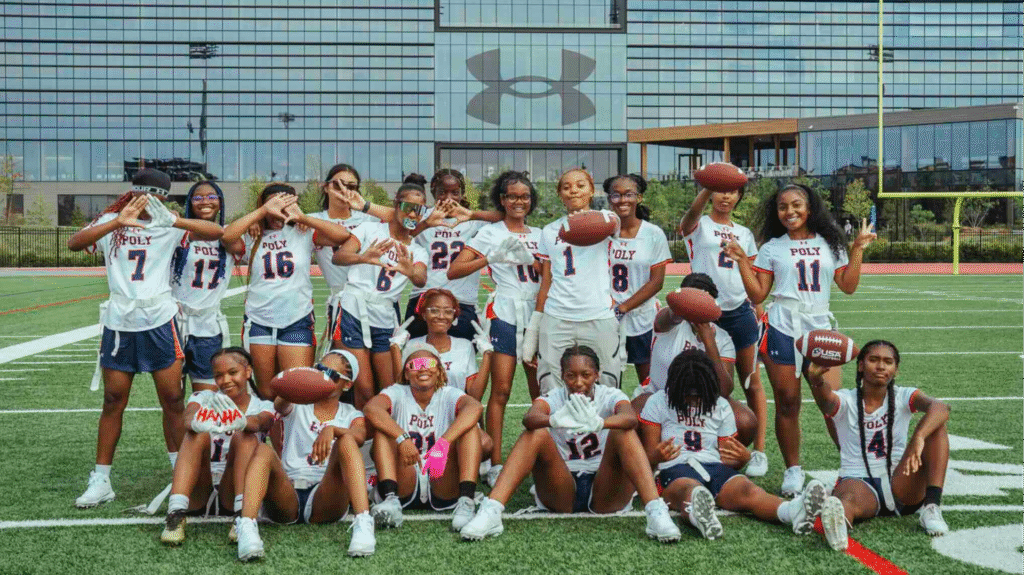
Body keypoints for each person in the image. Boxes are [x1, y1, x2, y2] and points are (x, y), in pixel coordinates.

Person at [67, 168, 224, 508]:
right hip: (120, 322)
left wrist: (174, 221)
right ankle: (102, 479)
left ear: (164, 197)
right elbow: (75, 243)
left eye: (156, 196)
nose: (148, 201)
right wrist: (116, 222)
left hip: (158, 320)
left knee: (171, 399)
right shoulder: (111, 218)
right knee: (113, 399)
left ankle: (179, 474)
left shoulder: (167, 223)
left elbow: (216, 232)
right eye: (143, 194)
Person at [723, 183, 875, 495]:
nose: (790, 212)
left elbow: (848, 286)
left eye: (796, 205)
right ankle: (793, 470)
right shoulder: (771, 248)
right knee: (788, 403)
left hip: (820, 325)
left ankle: (853, 467)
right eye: (783, 207)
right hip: (784, 325)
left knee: (832, 403)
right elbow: (758, 294)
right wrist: (741, 262)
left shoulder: (831, 243)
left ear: (810, 208)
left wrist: (857, 249)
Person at [459, 345, 681, 544]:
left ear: (597, 374)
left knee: (623, 432)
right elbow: (530, 418)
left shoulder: (610, 395)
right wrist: (553, 420)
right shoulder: (554, 397)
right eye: (571, 375)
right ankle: (492, 510)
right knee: (535, 433)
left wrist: (600, 423)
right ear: (562, 376)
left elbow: (630, 417)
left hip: (605, 486)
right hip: (561, 487)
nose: (578, 382)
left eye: (586, 375)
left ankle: (655, 511)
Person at [638, 349, 827, 540]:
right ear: (675, 386)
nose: (694, 402)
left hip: (714, 467)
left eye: (699, 395)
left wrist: (743, 459)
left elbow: (728, 458)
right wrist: (657, 456)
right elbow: (645, 459)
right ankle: (700, 516)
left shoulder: (720, 405)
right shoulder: (658, 402)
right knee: (690, 490)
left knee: (749, 490)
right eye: (688, 395)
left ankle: (792, 511)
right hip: (676, 468)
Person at [808, 340, 950, 551]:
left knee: (937, 426)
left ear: (896, 369)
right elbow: (827, 401)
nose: (881, 366)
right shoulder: (846, 399)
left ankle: (931, 506)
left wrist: (919, 436)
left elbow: (940, 407)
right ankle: (835, 522)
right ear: (861, 366)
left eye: (888, 361)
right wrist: (816, 380)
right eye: (873, 360)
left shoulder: (903, 395)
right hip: (858, 480)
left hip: (902, 481)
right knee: (844, 503)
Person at [234, 350, 375, 560]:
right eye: (320, 370)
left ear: (346, 385)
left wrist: (333, 430)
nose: (323, 377)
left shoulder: (351, 413)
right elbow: (279, 404)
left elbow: (360, 435)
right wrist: (299, 381)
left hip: (325, 494)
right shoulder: (298, 404)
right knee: (263, 449)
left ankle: (364, 523)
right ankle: (246, 527)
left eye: (331, 374)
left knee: (346, 441)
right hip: (287, 489)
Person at [449, 170, 542, 486]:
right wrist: (490, 257)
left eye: (525, 196)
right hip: (504, 309)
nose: (519, 201)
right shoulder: (490, 233)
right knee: (500, 389)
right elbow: (455, 269)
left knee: (538, 389)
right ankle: (496, 462)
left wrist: (535, 260)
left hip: (537, 312)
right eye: (512, 196)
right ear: (502, 200)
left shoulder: (541, 234)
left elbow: (550, 273)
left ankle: (543, 454)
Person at [222, 182, 351, 399]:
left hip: (296, 319)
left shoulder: (304, 232)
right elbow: (226, 237)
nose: (278, 212)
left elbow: (342, 236)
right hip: (259, 320)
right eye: (274, 205)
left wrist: (303, 217)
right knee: (265, 391)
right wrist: (260, 213)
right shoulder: (252, 235)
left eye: (285, 206)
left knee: (295, 389)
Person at [679, 183, 770, 477]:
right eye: (721, 190)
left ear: (739, 197)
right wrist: (709, 185)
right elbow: (690, 217)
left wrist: (757, 309)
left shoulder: (744, 233)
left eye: (731, 192)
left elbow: (751, 275)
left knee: (751, 380)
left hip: (738, 311)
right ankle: (698, 441)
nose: (726, 196)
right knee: (701, 379)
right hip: (704, 309)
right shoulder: (699, 224)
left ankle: (759, 450)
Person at [362, 342, 485, 532]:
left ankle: (466, 500)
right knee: (383, 430)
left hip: (441, 475)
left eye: (429, 364)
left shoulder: (449, 394)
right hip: (406, 474)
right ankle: (391, 499)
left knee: (470, 429)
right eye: (415, 365)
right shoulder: (396, 392)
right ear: (405, 372)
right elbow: (372, 408)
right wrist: (402, 438)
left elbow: (475, 407)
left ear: (439, 371)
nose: (422, 369)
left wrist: (443, 443)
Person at [160, 347, 274, 545]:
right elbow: (187, 417)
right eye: (218, 376)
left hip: (234, 487)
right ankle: (175, 513)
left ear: (248, 372)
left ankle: (241, 515)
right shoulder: (204, 398)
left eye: (232, 372)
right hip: (200, 487)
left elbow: (261, 422)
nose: (226, 380)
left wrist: (243, 422)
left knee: (245, 436)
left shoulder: (263, 405)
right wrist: (195, 423)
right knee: (196, 433)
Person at [332, 183, 430, 407]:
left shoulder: (418, 249)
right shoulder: (370, 230)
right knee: (364, 388)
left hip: (385, 314)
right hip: (354, 309)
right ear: (396, 205)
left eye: (419, 210)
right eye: (408, 206)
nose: (413, 214)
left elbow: (420, 278)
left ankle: (382, 438)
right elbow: (339, 257)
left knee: (388, 388)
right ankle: (361, 438)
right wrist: (363, 257)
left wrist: (410, 270)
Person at [634, 273, 758, 449]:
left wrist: (709, 341)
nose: (697, 306)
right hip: (661, 394)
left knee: (745, 422)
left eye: (703, 300)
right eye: (693, 299)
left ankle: (716, 461)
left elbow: (723, 390)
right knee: (633, 416)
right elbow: (668, 317)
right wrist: (683, 305)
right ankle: (651, 462)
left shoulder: (722, 339)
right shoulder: (670, 323)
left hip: (704, 401)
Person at [526, 168, 622, 393]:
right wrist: (535, 324)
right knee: (551, 383)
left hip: (598, 313)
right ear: (560, 194)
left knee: (607, 382)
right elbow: (546, 279)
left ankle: (602, 429)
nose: (573, 191)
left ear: (591, 190)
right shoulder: (550, 231)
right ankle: (558, 429)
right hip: (557, 315)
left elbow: (616, 224)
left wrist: (585, 221)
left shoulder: (607, 220)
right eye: (566, 187)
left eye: (580, 185)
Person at [406, 169, 500, 340]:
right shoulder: (420, 215)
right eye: (443, 192)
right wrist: (426, 224)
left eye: (455, 192)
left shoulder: (473, 220)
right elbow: (399, 236)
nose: (449, 198)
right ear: (433, 191)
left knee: (463, 356)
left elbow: (506, 217)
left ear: (462, 193)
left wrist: (472, 214)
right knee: (419, 360)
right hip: (424, 296)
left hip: (462, 300)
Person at [603, 174, 672, 384]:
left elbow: (656, 282)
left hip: (642, 316)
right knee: (609, 380)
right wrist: (610, 306)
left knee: (649, 381)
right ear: (609, 200)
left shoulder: (653, 234)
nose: (622, 200)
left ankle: (647, 418)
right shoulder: (602, 231)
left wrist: (623, 307)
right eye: (616, 195)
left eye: (629, 194)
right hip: (606, 314)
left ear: (639, 198)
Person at [170, 181, 236, 393]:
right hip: (174, 321)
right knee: (172, 397)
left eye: (212, 197)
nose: (205, 201)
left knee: (207, 397)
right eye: (198, 198)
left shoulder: (229, 234)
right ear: (190, 202)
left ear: (220, 202)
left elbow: (232, 241)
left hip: (207, 324)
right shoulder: (178, 231)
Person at [307, 164, 379, 354]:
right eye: (337, 185)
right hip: (342, 301)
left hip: (376, 300)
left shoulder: (368, 219)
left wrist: (365, 206)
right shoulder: (312, 219)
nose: (344, 190)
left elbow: (399, 218)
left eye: (351, 186)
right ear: (326, 187)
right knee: (348, 367)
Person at [394, 288, 493, 400]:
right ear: (424, 314)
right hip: (421, 413)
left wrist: (487, 354)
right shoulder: (413, 345)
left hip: (455, 412)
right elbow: (403, 390)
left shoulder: (465, 346)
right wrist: (395, 348)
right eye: (434, 310)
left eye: (448, 311)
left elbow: (475, 395)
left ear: (454, 317)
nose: (441, 316)